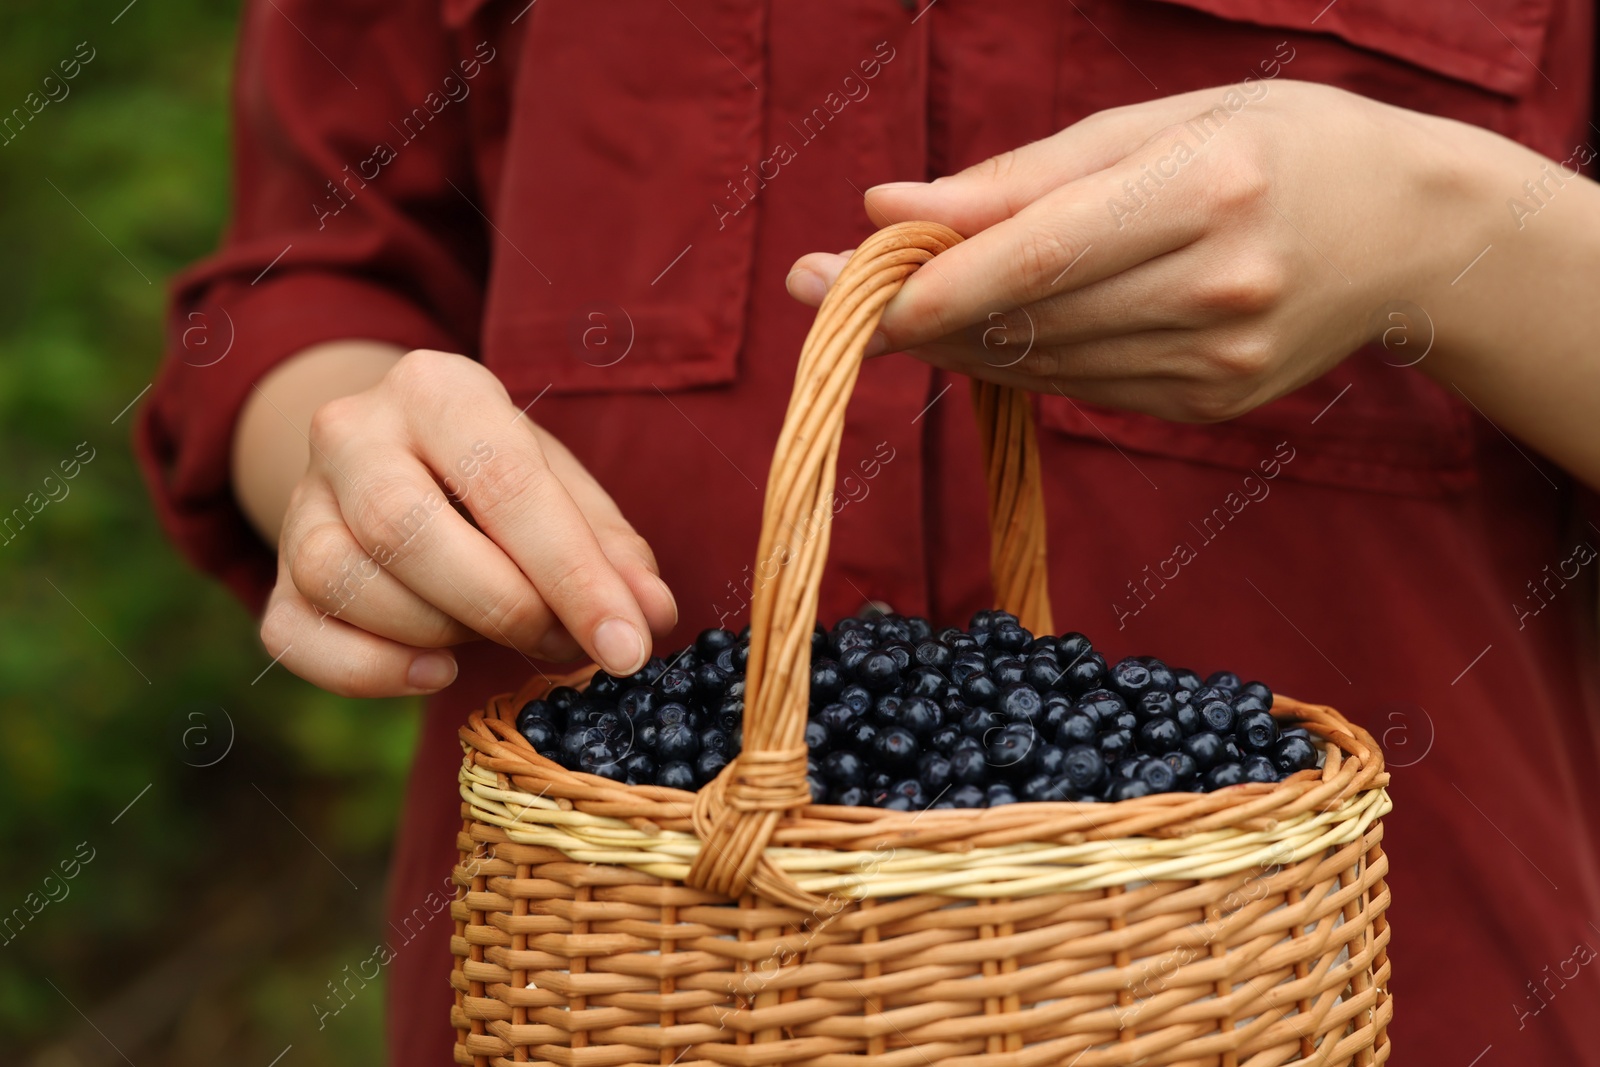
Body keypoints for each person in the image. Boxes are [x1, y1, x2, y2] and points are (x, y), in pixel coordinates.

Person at [138, 1, 1600, 1063]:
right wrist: (345, 447)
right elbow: (304, 279)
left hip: (1365, 991)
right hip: (623, 981)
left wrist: (1438, 235)